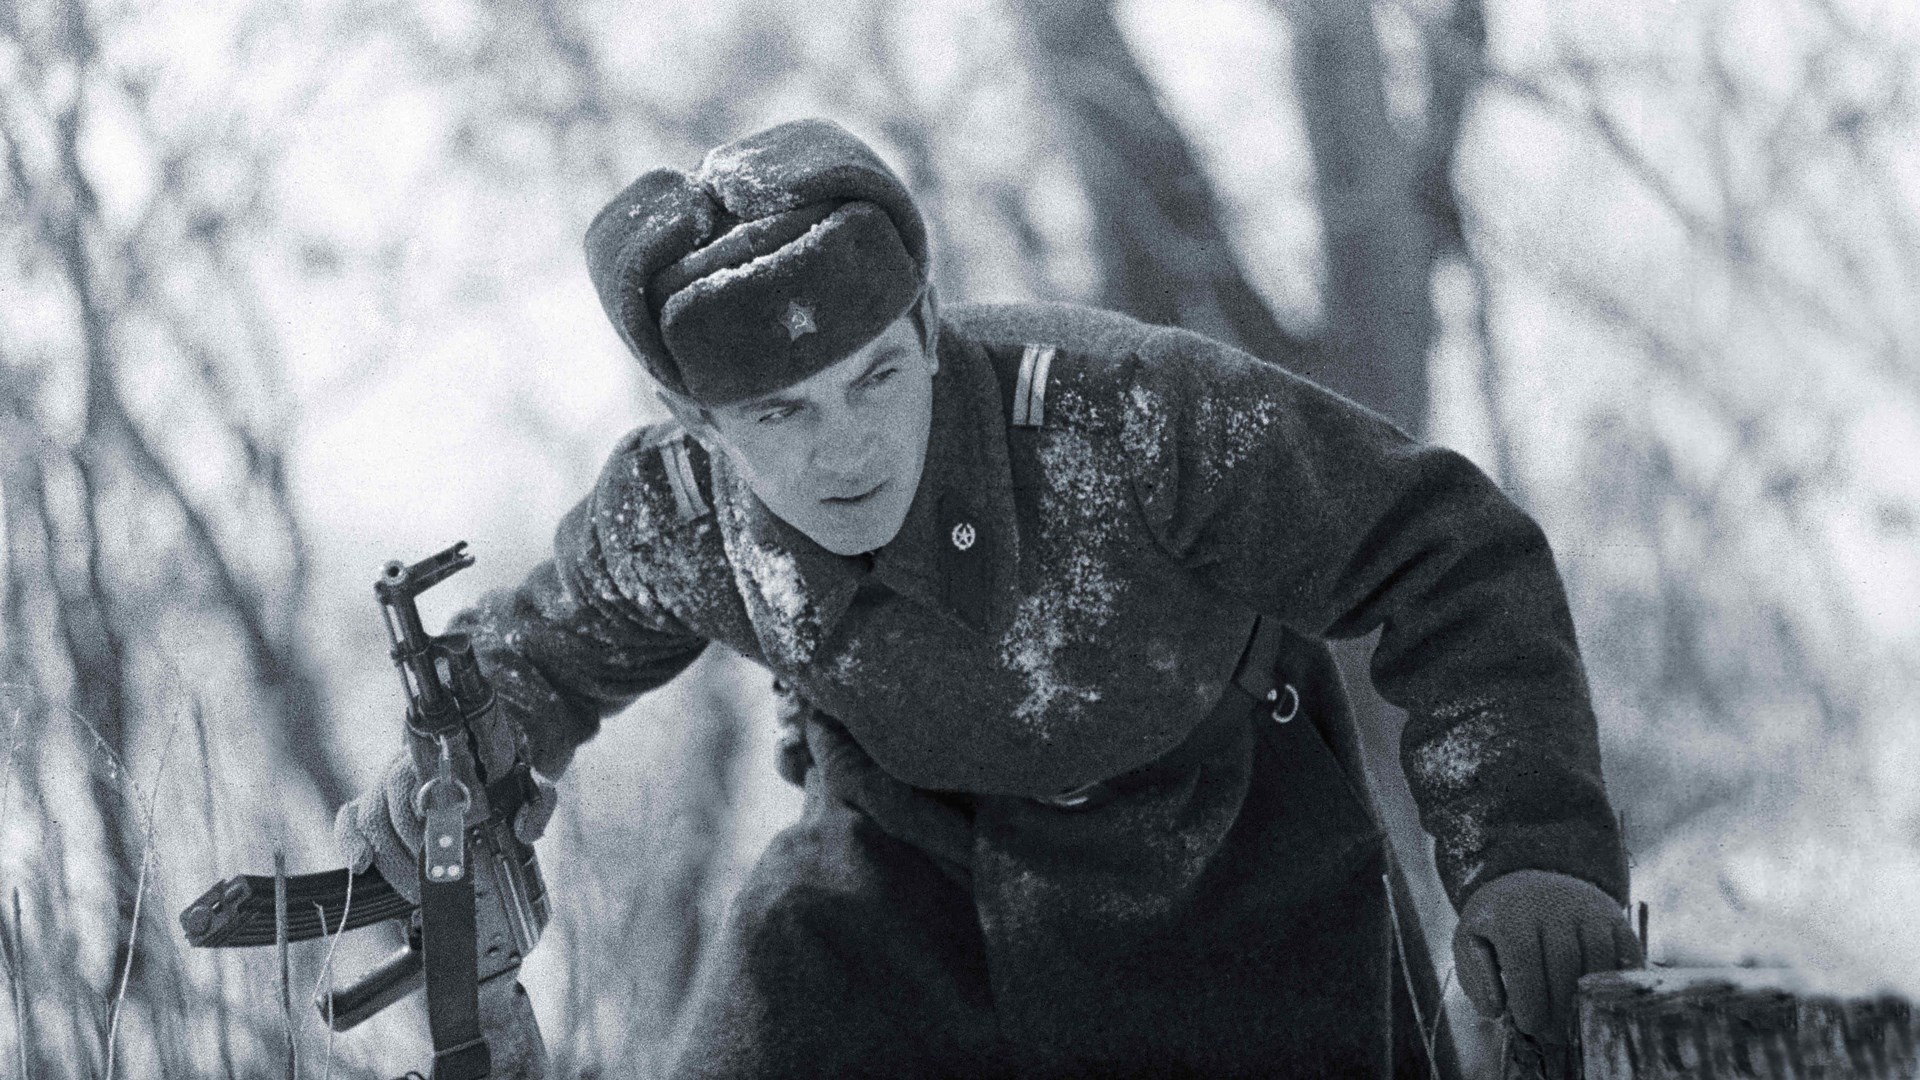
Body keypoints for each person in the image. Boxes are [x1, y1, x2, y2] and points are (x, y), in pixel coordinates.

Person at [338, 117, 1641, 1079]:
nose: (841, 449)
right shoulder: (686, 512)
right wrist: (458, 773)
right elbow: (546, 651)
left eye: (874, 381)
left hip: (1228, 868)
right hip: (895, 892)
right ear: (701, 426)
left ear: (928, 330)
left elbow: (1448, 549)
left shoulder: (1130, 418)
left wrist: (1529, 846)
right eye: (779, 414)